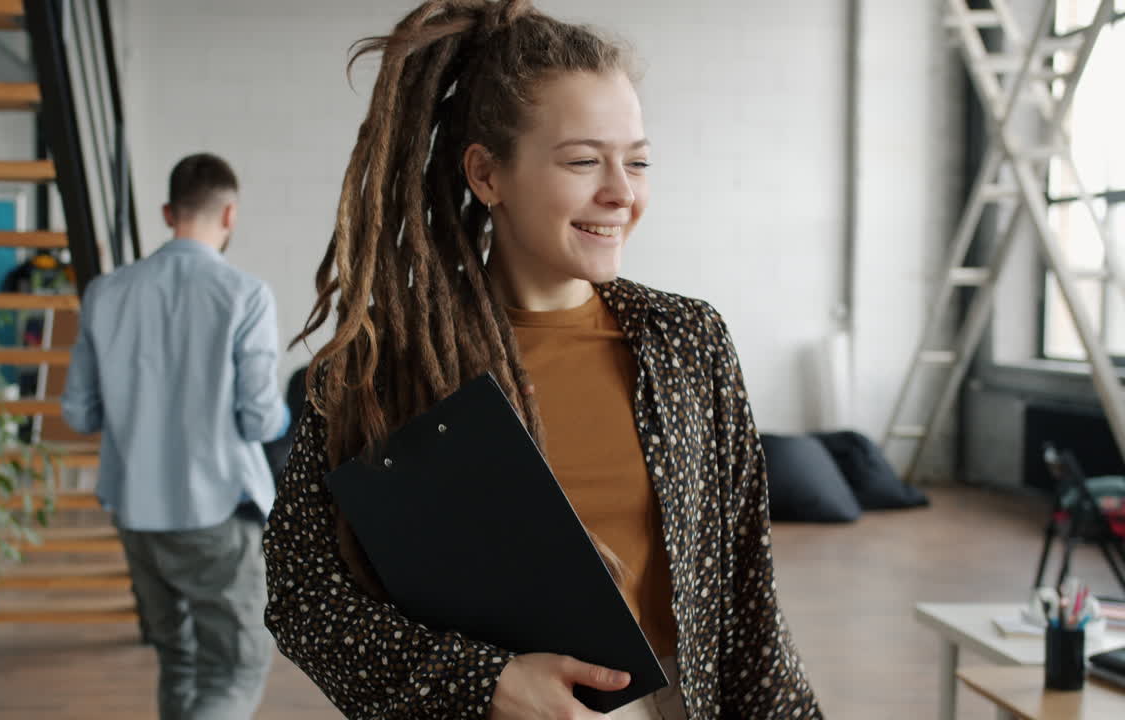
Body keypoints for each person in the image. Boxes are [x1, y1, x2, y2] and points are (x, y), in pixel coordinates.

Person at [262, 1, 823, 718]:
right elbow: (302, 592)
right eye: (585, 161)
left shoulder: (687, 342)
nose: (621, 191)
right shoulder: (386, 364)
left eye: (638, 160)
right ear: (487, 175)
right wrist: (483, 684)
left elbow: (747, 605)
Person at [63, 152, 289, 720]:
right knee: (235, 668)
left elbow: (79, 414)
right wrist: (290, 422)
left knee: (179, 660)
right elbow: (260, 420)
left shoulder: (105, 293)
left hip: (136, 512)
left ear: (168, 211)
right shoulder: (246, 295)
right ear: (230, 215)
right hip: (213, 511)